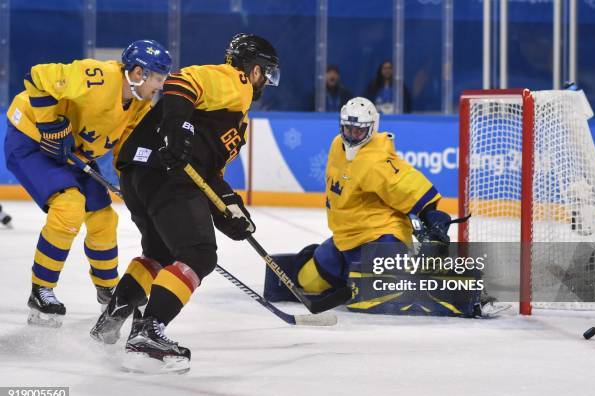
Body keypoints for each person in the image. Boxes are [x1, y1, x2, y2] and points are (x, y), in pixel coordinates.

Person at [89, 33, 280, 374]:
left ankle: (113, 317)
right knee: (199, 253)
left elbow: (210, 175)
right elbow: (181, 82)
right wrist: (177, 128)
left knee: (159, 256)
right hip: (164, 172)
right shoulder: (234, 82)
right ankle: (149, 331)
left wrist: (230, 209)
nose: (265, 80)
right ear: (253, 69)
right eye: (266, 72)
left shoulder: (238, 118)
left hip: (142, 173)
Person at [3, 40, 172, 327]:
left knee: (105, 218)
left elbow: (124, 153)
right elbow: (37, 77)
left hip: (73, 153)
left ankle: (108, 290)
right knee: (69, 206)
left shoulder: (139, 107)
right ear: (138, 72)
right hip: (30, 139)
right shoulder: (99, 76)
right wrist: (50, 125)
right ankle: (41, 289)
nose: (160, 85)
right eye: (157, 77)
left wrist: (138, 190)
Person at [262, 97, 469, 314]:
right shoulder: (336, 145)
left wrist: (430, 215)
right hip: (345, 240)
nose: (351, 136)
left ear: (371, 128)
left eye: (358, 131)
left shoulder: (376, 159)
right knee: (306, 281)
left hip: (380, 237)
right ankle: (349, 276)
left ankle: (441, 286)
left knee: (377, 296)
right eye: (348, 129)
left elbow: (405, 184)